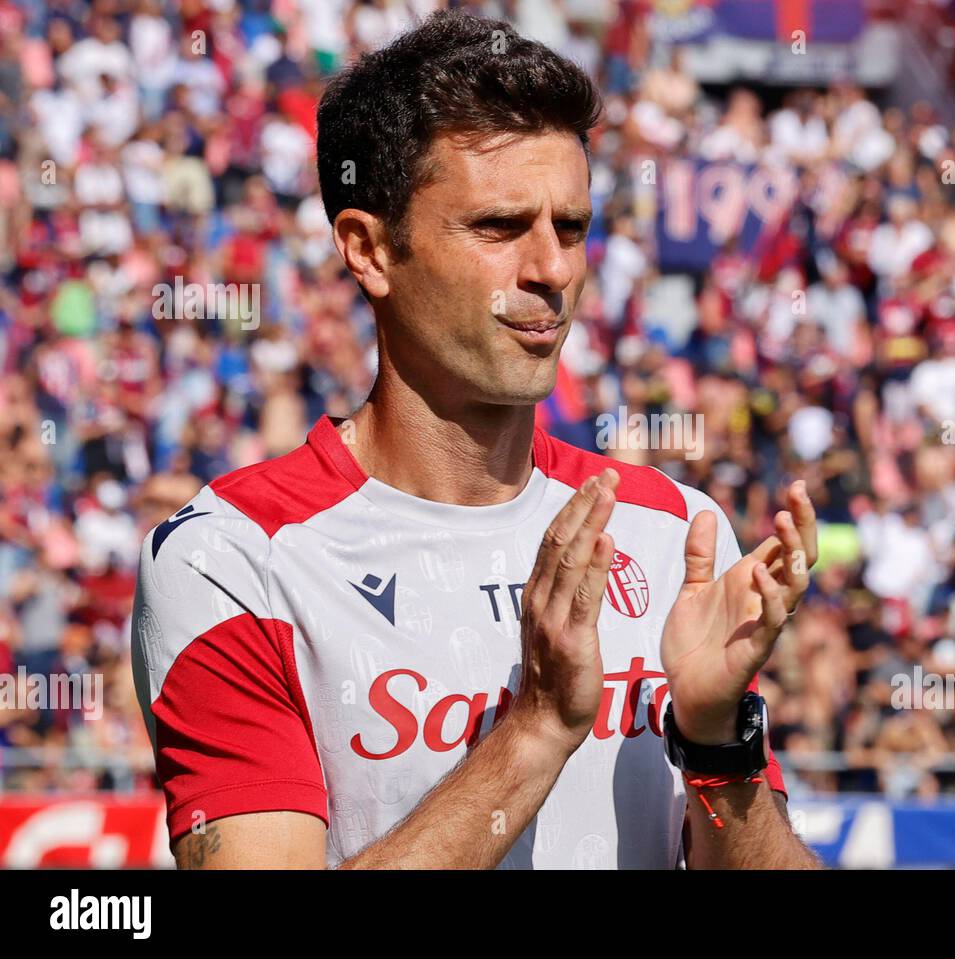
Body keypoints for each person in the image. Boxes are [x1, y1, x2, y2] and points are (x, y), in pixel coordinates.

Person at [130, 11, 821, 870]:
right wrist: (533, 732)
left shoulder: (672, 528)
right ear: (370, 250)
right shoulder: (232, 559)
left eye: (570, 227)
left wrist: (717, 742)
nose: (553, 269)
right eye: (499, 227)